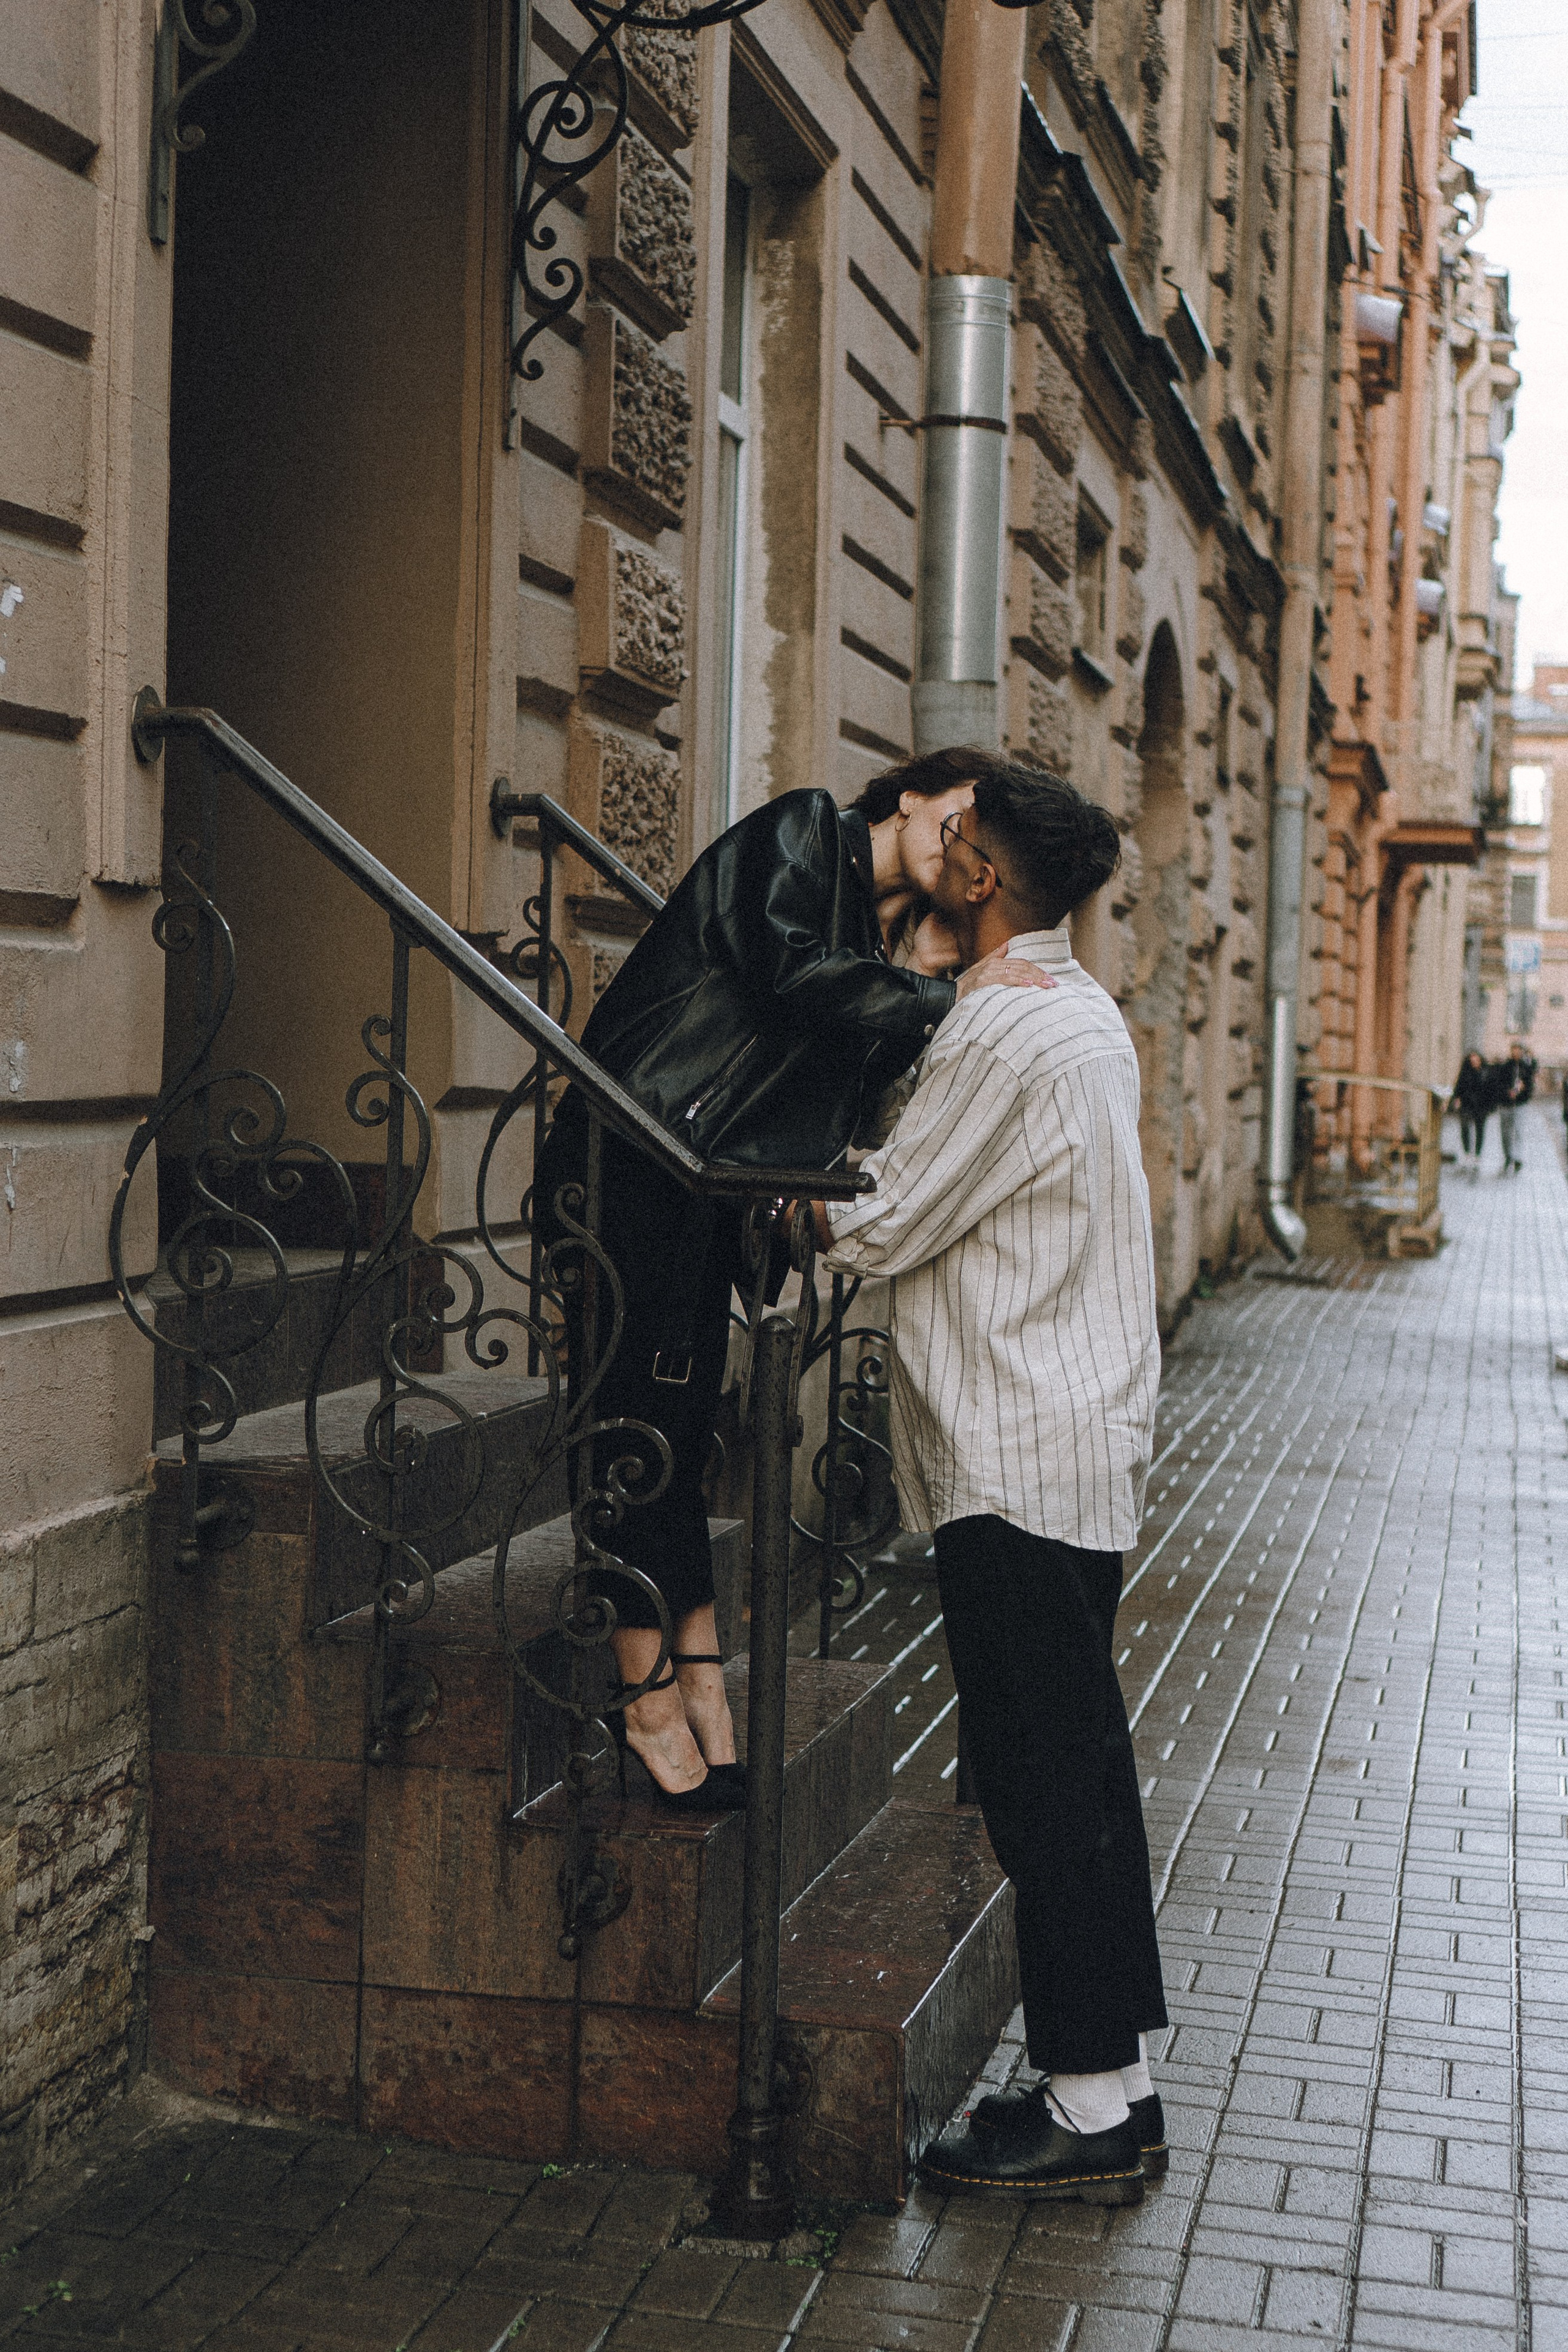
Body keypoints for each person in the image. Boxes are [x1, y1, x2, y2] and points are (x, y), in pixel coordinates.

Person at [535, 748, 1054, 1811]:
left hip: (700, 1188)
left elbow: (854, 1096)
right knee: (633, 1430)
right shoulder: (803, 833)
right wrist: (944, 993)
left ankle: (700, 1677)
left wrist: (941, 960)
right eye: (952, 817)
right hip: (631, 1157)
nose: (959, 845)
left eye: (975, 841)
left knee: (676, 1435)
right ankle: (643, 1695)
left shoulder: (870, 940)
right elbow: (785, 969)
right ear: (907, 796)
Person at [813, 765, 1166, 2206]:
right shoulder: (1079, 1009)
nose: (926, 846)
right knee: (1080, 1764)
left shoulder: (1005, 1026)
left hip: (1014, 1450)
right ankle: (1117, 2079)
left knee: (1035, 1777)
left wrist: (774, 1191)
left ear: (981, 880)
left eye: (950, 839)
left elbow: (884, 1219)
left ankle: (1082, 2103)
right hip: (1074, 1437)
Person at [1497, 1038, 1537, 1173]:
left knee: (1518, 1131)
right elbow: (1499, 1084)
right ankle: (1509, 1156)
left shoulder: (1527, 1067)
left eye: (1519, 1050)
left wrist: (1524, 1088)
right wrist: (1507, 1092)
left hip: (1520, 1104)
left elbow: (1531, 1086)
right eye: (1514, 1050)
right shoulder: (1506, 1066)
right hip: (1506, 1104)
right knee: (1506, 1133)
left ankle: (1518, 1158)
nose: (1516, 1053)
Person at [1450, 1049, 1493, 1170]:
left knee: (1480, 1130)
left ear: (1480, 1060)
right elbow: (1458, 1087)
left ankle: (1477, 1156)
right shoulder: (1465, 1072)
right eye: (1472, 1060)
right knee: (1465, 1128)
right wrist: (1457, 1099)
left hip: (1481, 1106)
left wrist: (1489, 1105)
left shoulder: (1485, 1072)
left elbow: (1490, 1089)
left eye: (1476, 1060)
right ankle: (1467, 1153)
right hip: (1467, 1104)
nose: (1474, 1062)